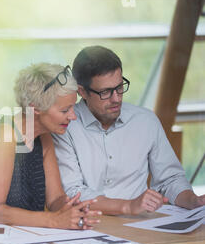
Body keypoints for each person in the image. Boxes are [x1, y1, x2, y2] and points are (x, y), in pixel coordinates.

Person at [53, 46, 205, 216]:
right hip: (89, 225)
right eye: (105, 92)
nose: (116, 98)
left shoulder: (146, 121)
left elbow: (170, 179)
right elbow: (73, 192)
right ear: (82, 91)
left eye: (119, 87)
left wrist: (193, 200)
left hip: (142, 226)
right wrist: (129, 205)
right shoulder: (65, 126)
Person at [0, 63, 102, 229]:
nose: (73, 116)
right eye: (65, 110)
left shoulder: (44, 138)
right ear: (35, 109)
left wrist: (71, 210)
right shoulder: (4, 136)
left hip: (24, 241)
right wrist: (56, 220)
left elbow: (55, 198)